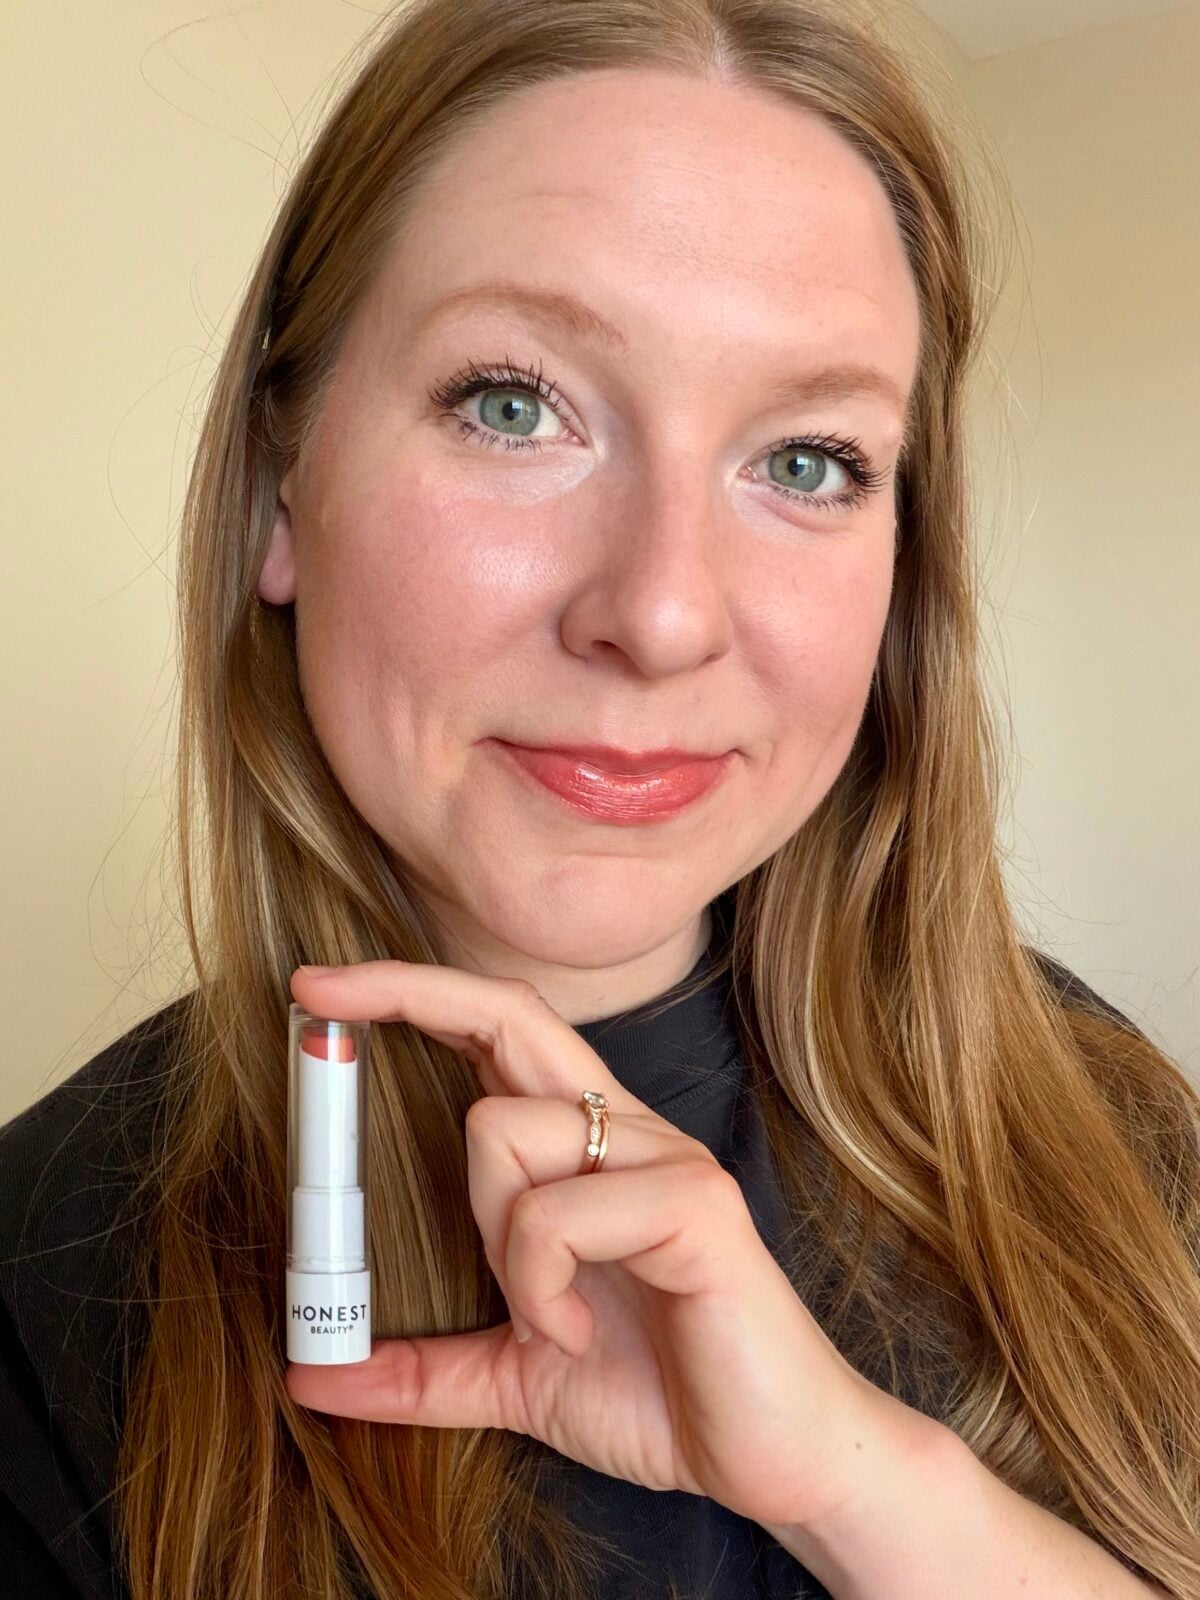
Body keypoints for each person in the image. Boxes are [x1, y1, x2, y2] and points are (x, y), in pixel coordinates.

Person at [2, 1, 1197, 1597]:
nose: (665, 612)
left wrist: (868, 1485)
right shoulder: (40, 1298)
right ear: (286, 485)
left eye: (808, 460)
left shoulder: (1120, 1137)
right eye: (515, 404)